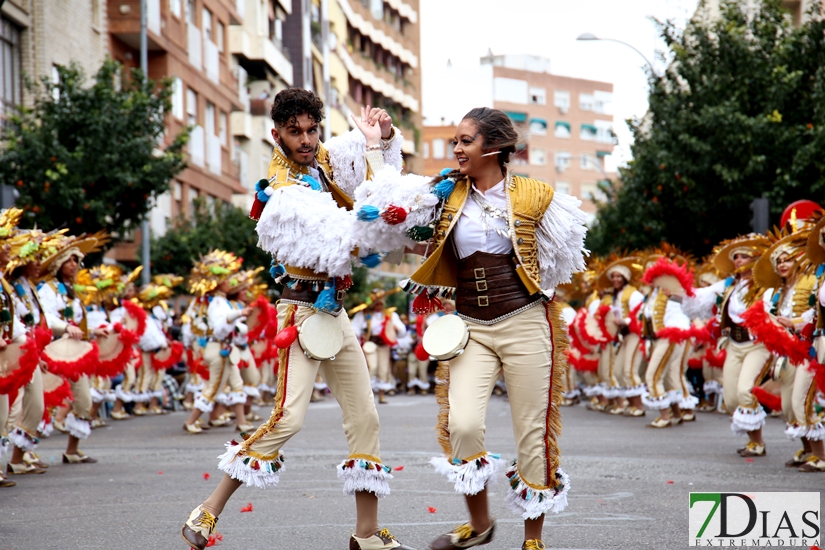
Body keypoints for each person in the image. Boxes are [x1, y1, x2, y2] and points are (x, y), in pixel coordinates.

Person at [181, 88, 412, 550]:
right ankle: (206, 511)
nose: (306, 140)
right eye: (295, 132)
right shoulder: (284, 190)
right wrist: (372, 154)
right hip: (301, 312)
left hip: (333, 308)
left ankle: (366, 534)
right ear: (276, 134)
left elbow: (362, 170)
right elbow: (353, 229)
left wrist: (382, 139)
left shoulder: (321, 161)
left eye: (312, 129)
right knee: (287, 419)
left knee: (366, 417)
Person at [351, 107, 587, 550]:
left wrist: (539, 285)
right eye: (455, 141)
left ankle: (532, 541)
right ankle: (480, 527)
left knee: (532, 433)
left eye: (465, 141)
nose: (456, 148)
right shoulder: (444, 193)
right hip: (471, 325)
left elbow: (564, 253)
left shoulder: (535, 195)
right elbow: (388, 204)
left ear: (494, 148)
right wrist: (376, 144)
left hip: (525, 321)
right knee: (461, 425)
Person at [680, 234, 772, 456]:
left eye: (744, 256)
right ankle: (753, 440)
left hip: (757, 345)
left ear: (756, 258)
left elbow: (774, 311)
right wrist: (677, 291)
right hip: (734, 344)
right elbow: (700, 297)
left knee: (745, 391)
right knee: (730, 399)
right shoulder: (729, 285)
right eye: (736, 257)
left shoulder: (766, 285)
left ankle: (758, 443)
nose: (739, 260)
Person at [38, 232, 110, 464]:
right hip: (53, 352)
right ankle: (22, 454)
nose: (74, 265)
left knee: (83, 401)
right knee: (44, 403)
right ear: (58, 264)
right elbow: (45, 318)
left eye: (76, 260)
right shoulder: (47, 289)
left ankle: (71, 450)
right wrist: (65, 328)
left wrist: (92, 333)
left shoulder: (71, 291)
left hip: (74, 354)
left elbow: (76, 324)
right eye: (69, 260)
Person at [4, 226, 65, 475]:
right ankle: (14, 459)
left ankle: (18, 458)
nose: (39, 263)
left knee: (35, 406)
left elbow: (33, 321)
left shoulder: (25, 287)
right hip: (13, 351)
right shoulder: (11, 285)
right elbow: (16, 321)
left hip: (27, 350)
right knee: (10, 411)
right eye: (35, 258)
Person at [182, 251, 251, 435]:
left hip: (226, 349)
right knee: (213, 388)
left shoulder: (222, 301)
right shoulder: (217, 303)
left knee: (236, 384)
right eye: (227, 279)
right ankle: (190, 421)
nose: (230, 283)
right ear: (219, 282)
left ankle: (242, 422)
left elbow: (230, 328)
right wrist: (239, 314)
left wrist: (239, 326)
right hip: (218, 348)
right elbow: (221, 327)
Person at [351, 289, 407, 403]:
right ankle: (367, 394)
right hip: (370, 343)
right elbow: (354, 328)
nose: (379, 306)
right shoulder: (364, 314)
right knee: (372, 366)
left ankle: (382, 394)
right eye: (377, 304)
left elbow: (401, 330)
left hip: (384, 345)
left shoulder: (390, 315)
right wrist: (360, 332)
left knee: (383, 369)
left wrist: (397, 329)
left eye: (381, 303)